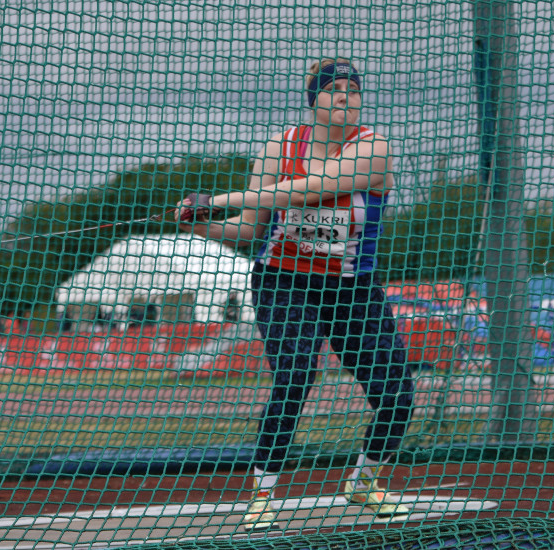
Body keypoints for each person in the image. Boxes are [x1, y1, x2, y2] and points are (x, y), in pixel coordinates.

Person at [176, 57, 415, 531]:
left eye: (352, 88)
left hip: (352, 289)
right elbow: (248, 230)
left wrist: (216, 199)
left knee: (398, 394)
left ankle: (363, 482)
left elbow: (309, 191)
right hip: (284, 281)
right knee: (296, 375)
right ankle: (262, 494)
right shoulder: (280, 147)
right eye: (333, 89)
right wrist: (200, 223)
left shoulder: (374, 148)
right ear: (314, 101)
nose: (345, 95)